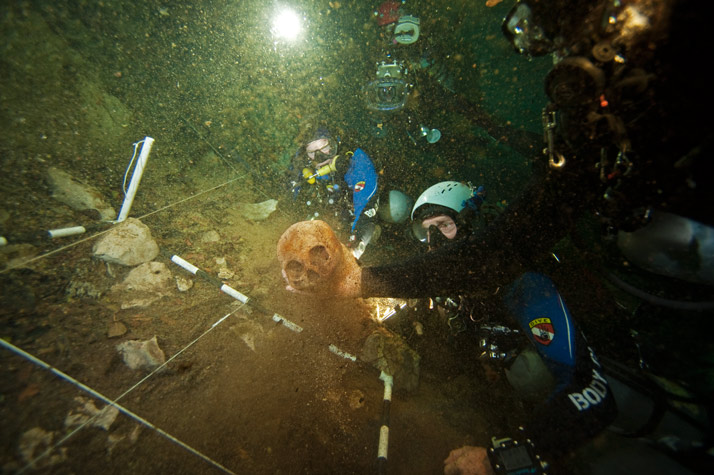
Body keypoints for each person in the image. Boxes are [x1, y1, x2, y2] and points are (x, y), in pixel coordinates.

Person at [279, 0, 713, 472]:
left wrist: (506, 457)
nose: (437, 244)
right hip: (542, 411)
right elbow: (431, 329)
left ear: (473, 223)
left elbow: (593, 389)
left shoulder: (523, 283)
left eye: (446, 226)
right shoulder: (459, 289)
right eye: (428, 234)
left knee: (540, 382)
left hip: (606, 419)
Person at [286, 123, 380, 259]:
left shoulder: (358, 162)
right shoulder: (302, 163)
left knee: (396, 207)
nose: (320, 156)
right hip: (333, 213)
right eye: (312, 152)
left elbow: (365, 208)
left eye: (324, 147)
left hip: (356, 212)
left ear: (335, 142)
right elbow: (289, 200)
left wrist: (354, 249)